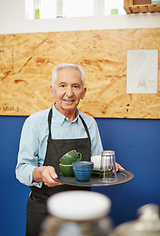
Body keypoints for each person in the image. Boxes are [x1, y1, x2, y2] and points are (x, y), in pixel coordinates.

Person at [16, 63, 123, 236]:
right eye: (62, 86)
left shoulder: (89, 123)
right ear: (52, 91)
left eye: (75, 86)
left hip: (82, 211)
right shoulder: (35, 123)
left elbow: (96, 164)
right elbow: (21, 170)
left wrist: (108, 167)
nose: (69, 93)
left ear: (83, 92)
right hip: (44, 209)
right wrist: (41, 172)